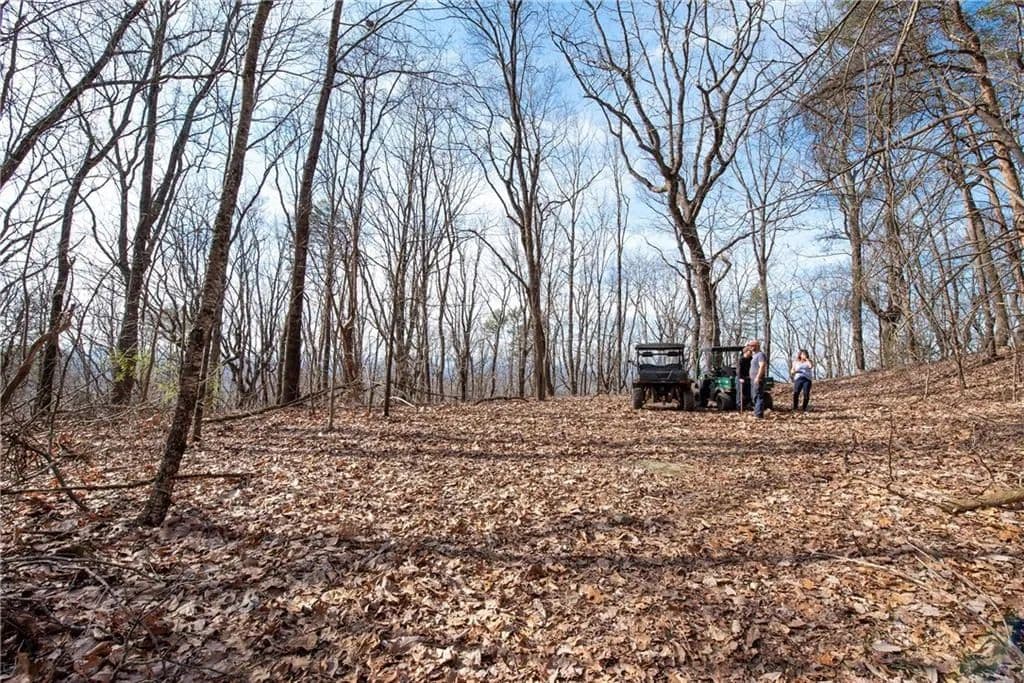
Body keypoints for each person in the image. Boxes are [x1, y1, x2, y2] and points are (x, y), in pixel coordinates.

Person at [747, 339, 767, 418]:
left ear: (757, 346)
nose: (750, 347)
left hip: (757, 379)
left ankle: (759, 414)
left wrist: (758, 377)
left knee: (758, 395)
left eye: (752, 345)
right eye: (749, 345)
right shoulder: (754, 355)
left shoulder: (760, 355)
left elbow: (762, 366)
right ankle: (756, 412)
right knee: (754, 396)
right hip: (752, 379)